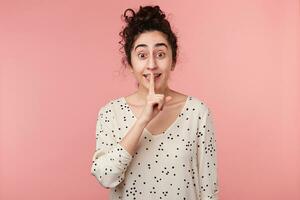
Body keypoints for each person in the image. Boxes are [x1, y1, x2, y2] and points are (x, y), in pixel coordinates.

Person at [91, 5, 219, 200]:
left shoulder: (197, 113)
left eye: (160, 54)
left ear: (173, 60)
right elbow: (106, 176)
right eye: (142, 55)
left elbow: (209, 191)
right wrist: (143, 119)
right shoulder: (111, 113)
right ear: (130, 63)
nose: (151, 65)